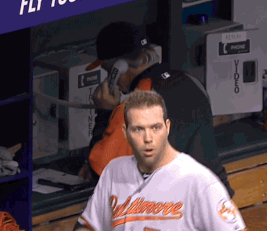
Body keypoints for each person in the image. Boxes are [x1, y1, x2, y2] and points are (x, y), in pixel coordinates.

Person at [71, 90, 251, 231]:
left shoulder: (198, 180)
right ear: (125, 133)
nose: (148, 138)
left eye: (155, 128)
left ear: (167, 127)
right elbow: (82, 229)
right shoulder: (114, 172)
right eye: (139, 129)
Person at [78, 21, 235, 199]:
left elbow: (102, 171)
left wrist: (105, 112)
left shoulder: (137, 104)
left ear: (119, 67)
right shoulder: (191, 81)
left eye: (109, 71)